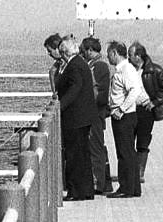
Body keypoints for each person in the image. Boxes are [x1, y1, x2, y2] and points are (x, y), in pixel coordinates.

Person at [55, 36, 97, 201]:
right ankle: (86, 190)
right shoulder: (80, 63)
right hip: (82, 117)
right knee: (83, 155)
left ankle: (76, 191)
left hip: (75, 118)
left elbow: (74, 89)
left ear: (64, 52)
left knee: (74, 156)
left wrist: (60, 105)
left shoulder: (74, 66)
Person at [128, 41, 163, 183]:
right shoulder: (128, 69)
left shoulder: (154, 70)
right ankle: (130, 171)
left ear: (138, 56)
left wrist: (154, 102)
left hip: (146, 110)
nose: (128, 58)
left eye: (130, 55)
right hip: (130, 109)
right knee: (128, 140)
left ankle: (140, 172)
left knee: (143, 141)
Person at [106, 41, 142, 198]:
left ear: (115, 53)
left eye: (109, 54)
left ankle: (126, 187)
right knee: (129, 152)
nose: (108, 57)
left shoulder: (125, 70)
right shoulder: (126, 69)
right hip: (126, 115)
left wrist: (121, 109)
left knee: (124, 152)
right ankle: (133, 187)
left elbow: (134, 90)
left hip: (124, 116)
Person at [81, 36, 114, 194]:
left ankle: (98, 183)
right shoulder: (95, 65)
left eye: (84, 51)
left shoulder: (99, 66)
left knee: (96, 148)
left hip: (94, 114)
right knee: (95, 147)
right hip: (94, 113)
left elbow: (100, 94)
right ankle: (98, 181)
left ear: (89, 50)